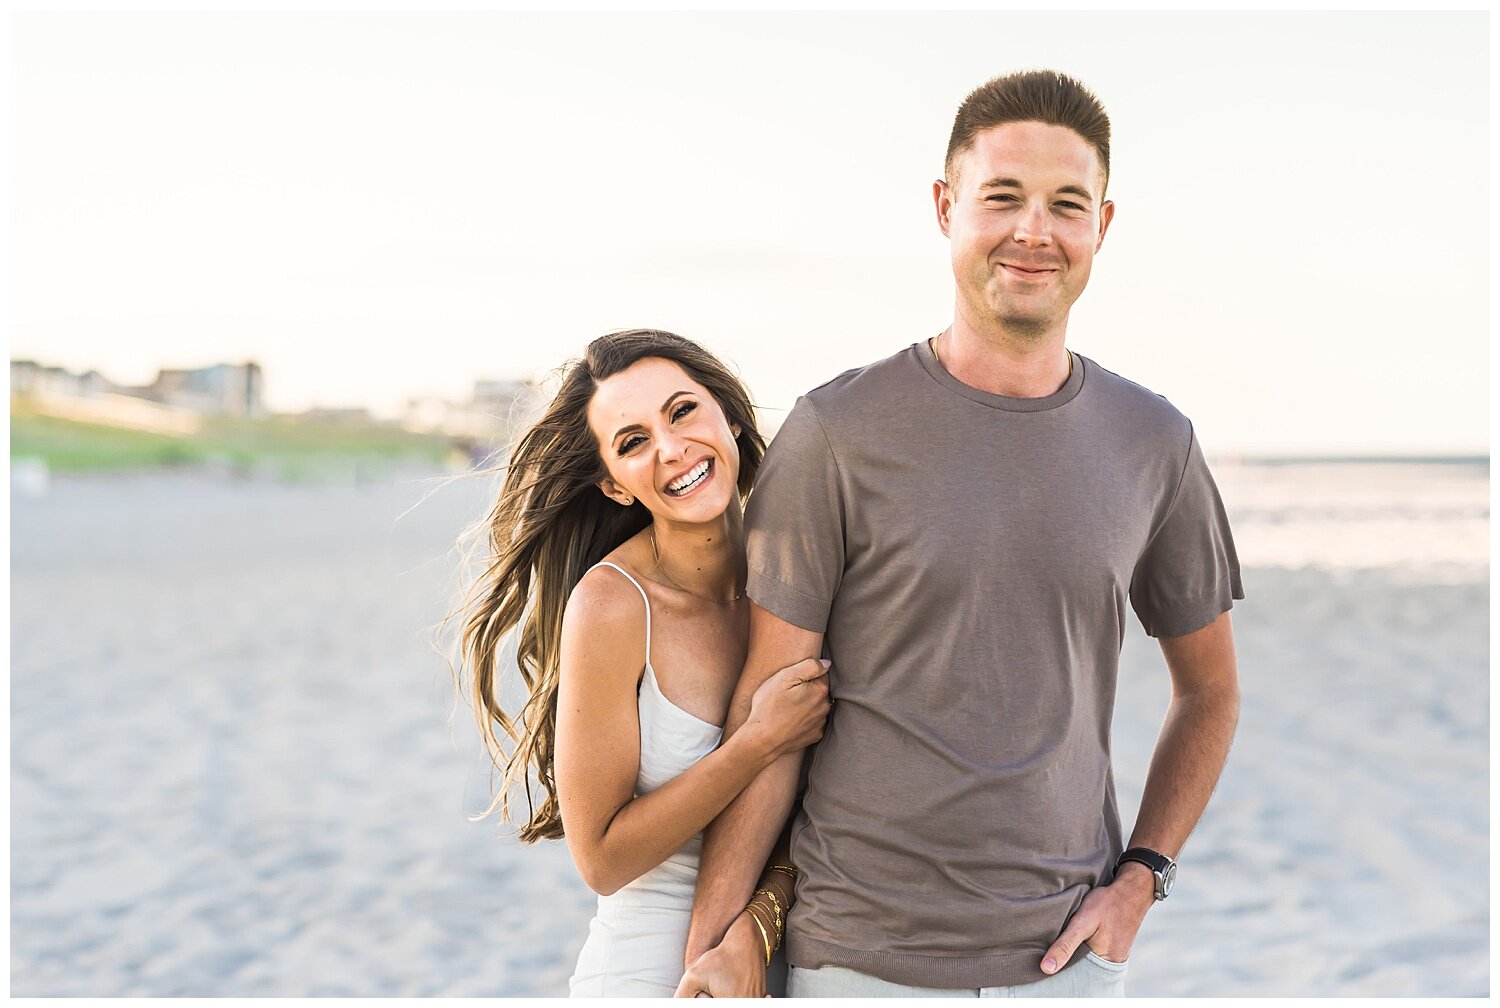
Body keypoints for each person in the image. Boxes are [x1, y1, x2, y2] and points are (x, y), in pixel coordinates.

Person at [680, 70, 1244, 997]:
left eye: (1067, 204)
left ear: (1103, 226)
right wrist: (719, 942)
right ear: (947, 208)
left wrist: (1146, 875)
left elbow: (1211, 692)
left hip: (1066, 966)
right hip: (857, 960)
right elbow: (769, 718)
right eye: (1003, 198)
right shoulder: (836, 433)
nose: (1034, 231)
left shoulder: (1155, 444)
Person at [453, 329, 832, 996]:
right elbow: (600, 859)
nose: (671, 449)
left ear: (728, 416)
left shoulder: (805, 580)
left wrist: (758, 922)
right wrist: (756, 742)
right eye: (633, 443)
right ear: (615, 485)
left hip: (779, 956)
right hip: (646, 973)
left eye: (683, 411)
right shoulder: (613, 606)